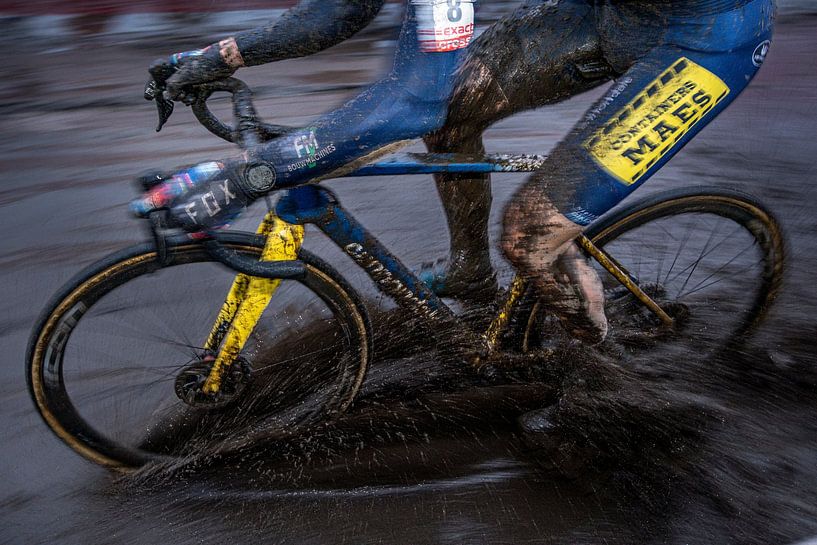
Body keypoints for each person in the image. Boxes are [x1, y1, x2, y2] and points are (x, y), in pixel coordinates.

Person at [135, 0, 775, 346]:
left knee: (530, 235)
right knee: (450, 118)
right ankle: (471, 274)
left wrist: (244, 177)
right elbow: (340, 12)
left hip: (706, 38)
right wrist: (217, 56)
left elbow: (409, 98)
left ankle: (601, 371)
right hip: (605, 13)